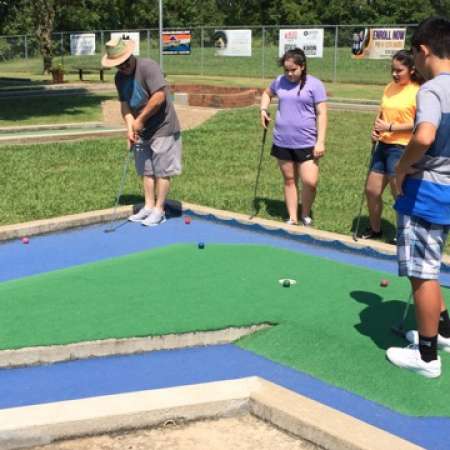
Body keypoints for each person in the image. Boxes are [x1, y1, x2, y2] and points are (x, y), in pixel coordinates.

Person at [386, 16, 450, 378]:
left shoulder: (432, 89)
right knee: (434, 261)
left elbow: (424, 135)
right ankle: (443, 332)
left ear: (423, 51)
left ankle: (426, 357)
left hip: (427, 189)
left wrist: (401, 168)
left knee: (422, 272)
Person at [102, 38, 182, 226]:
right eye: (119, 65)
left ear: (130, 56)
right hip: (142, 129)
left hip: (163, 126)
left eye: (125, 62)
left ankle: (159, 210)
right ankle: (148, 206)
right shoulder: (120, 78)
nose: (123, 67)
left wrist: (140, 120)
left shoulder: (148, 67)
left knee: (162, 170)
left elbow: (160, 96)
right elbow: (125, 107)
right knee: (146, 169)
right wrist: (130, 127)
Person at [260, 48, 327, 226]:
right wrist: (263, 110)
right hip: (282, 140)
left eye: (293, 70)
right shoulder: (279, 81)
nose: (289, 74)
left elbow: (322, 113)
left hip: (306, 142)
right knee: (289, 180)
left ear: (302, 67)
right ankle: (293, 217)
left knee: (310, 181)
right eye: (286, 70)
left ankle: (305, 213)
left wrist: (320, 141)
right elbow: (267, 93)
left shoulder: (315, 85)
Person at [361, 50, 422, 240]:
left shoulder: (418, 91)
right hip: (383, 146)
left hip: (402, 148)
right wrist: (375, 129)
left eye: (399, 70)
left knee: (399, 194)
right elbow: (382, 113)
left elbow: (420, 122)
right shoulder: (389, 87)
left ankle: (404, 234)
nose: (394, 74)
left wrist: (391, 127)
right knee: (372, 190)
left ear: (412, 70)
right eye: (392, 70)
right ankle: (375, 229)